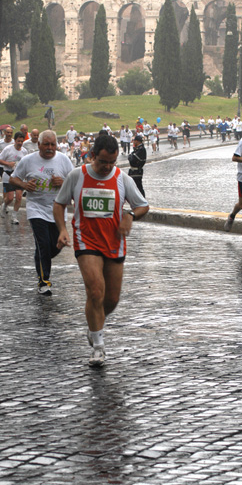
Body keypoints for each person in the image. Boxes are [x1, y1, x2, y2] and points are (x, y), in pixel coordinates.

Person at [53, 134, 149, 367]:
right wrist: (62, 230)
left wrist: (129, 215)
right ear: (92, 155)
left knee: (111, 299)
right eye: (102, 162)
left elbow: (143, 205)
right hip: (86, 241)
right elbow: (59, 204)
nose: (107, 167)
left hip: (114, 242)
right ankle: (98, 346)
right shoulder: (77, 176)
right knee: (95, 291)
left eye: (111, 163)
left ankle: (94, 324)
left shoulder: (121, 178)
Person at [9, 130, 74, 295]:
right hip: (36, 208)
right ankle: (44, 281)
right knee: (43, 243)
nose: (50, 148)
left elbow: (75, 182)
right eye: (46, 144)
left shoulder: (64, 160)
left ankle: (40, 257)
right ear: (39, 145)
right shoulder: (28, 160)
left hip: (57, 211)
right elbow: (13, 178)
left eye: (53, 144)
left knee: (55, 247)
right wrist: (24, 186)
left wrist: (64, 182)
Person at [0, 131, 27, 224]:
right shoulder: (8, 149)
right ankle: (4, 205)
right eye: (18, 141)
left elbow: (26, 163)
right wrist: (8, 164)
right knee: (10, 198)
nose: (20, 143)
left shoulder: (24, 151)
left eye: (22, 141)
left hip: (18, 177)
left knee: (18, 197)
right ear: (14, 140)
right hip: (8, 175)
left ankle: (14, 216)